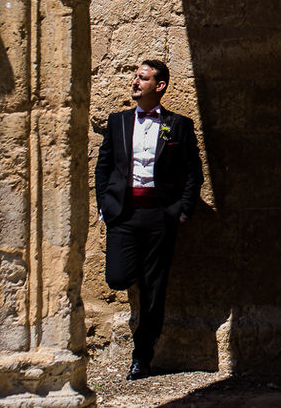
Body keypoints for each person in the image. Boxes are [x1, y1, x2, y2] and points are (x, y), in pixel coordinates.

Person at [93, 59, 203, 380]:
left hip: (160, 216)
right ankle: (133, 272)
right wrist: (104, 206)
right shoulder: (118, 122)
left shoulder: (176, 125)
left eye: (143, 78)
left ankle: (142, 356)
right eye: (135, 77)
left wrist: (183, 209)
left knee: (155, 289)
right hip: (123, 215)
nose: (135, 82)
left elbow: (192, 172)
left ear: (160, 86)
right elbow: (104, 167)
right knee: (117, 276)